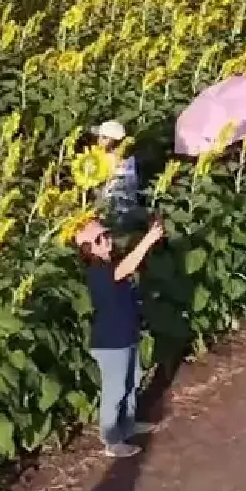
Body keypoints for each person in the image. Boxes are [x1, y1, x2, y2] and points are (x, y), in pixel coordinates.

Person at [75, 215, 166, 458]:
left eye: (106, 234)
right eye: (99, 238)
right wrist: (148, 239)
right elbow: (128, 266)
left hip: (126, 336)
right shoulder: (97, 272)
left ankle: (127, 425)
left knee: (132, 382)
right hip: (110, 343)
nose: (106, 239)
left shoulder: (108, 264)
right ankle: (112, 440)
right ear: (88, 249)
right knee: (115, 391)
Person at [93, 121, 141, 221]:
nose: (99, 140)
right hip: (110, 206)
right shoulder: (103, 156)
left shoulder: (122, 161)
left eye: (104, 137)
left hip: (118, 208)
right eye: (99, 136)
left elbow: (127, 186)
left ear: (114, 141)